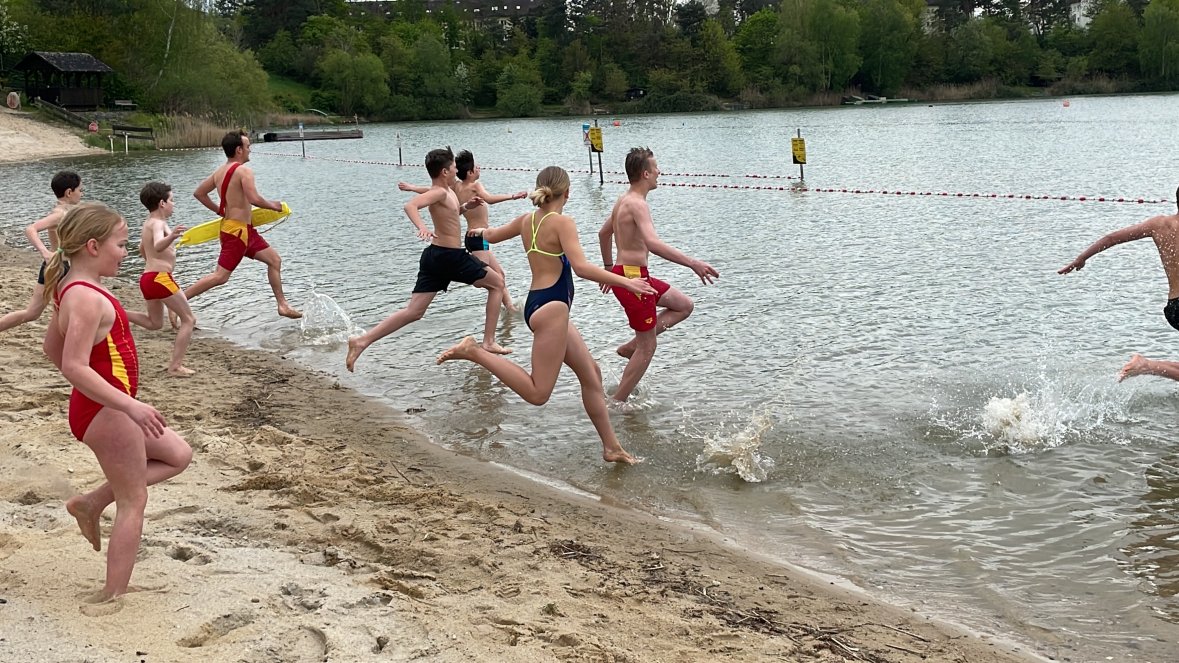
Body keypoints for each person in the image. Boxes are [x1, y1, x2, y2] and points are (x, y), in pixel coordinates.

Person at [438, 166, 655, 464]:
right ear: (567, 193)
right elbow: (580, 267)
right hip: (552, 309)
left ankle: (611, 447)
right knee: (538, 393)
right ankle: (475, 352)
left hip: (542, 306)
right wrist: (627, 281)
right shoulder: (562, 222)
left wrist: (472, 232)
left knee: (591, 373)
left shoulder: (527, 220)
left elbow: (486, 237)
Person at [41, 203, 192, 606]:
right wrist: (126, 405)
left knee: (178, 454)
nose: (127, 253)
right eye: (122, 245)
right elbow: (72, 365)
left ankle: (90, 502)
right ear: (93, 246)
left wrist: (101, 393)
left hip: (104, 407)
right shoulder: (86, 298)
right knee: (133, 500)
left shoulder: (71, 288)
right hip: (110, 411)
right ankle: (114, 593)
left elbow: (50, 349)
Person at [346, 147, 510, 372]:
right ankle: (489, 342)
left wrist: (465, 207)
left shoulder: (449, 191)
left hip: (435, 257)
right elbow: (410, 205)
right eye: (453, 166)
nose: (456, 169)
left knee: (413, 312)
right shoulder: (439, 192)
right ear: (444, 171)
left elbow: (450, 215)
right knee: (498, 283)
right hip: (450, 257)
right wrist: (422, 226)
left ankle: (361, 341)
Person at [597, 147, 719, 406]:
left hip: (632, 275)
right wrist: (692, 262)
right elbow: (653, 243)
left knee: (684, 305)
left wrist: (609, 271)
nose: (659, 172)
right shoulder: (637, 204)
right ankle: (616, 404)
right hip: (633, 279)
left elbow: (603, 234)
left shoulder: (622, 200)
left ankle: (632, 347)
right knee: (648, 347)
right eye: (655, 169)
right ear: (645, 173)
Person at [1059, 191, 1179, 383]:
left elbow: (1112, 238)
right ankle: (1146, 365)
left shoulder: (1159, 224)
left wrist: (1082, 258)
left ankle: (1148, 366)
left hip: (1174, 307)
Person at [183, 130, 301, 319]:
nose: (250, 150)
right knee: (220, 277)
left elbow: (199, 193)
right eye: (247, 146)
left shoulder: (219, 172)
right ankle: (179, 301)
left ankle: (282, 305)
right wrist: (274, 206)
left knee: (274, 260)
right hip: (237, 233)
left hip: (242, 230)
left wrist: (219, 210)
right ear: (239, 149)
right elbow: (254, 199)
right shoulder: (244, 171)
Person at [399, 149, 528, 313]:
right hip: (478, 237)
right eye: (477, 167)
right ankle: (502, 310)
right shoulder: (475, 186)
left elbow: (431, 191)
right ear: (470, 172)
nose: (479, 169)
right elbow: (489, 199)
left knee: (499, 275)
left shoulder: (455, 187)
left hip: (472, 238)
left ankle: (508, 307)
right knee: (492, 280)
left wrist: (412, 188)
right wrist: (513, 196)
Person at [129, 181, 197, 377]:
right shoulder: (159, 224)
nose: (174, 204)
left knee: (154, 323)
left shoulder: (147, 223)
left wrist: (153, 262)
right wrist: (172, 236)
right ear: (162, 203)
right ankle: (175, 366)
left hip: (148, 277)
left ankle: (115, 311)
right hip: (160, 278)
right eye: (172, 200)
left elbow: (144, 248)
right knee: (188, 319)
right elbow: (158, 245)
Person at [0, 171, 82, 333]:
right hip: (57, 266)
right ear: (69, 192)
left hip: (61, 266)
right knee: (35, 313)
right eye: (80, 189)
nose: (82, 193)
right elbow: (31, 229)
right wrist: (45, 252)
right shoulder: (59, 214)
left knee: (35, 313)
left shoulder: (68, 212)